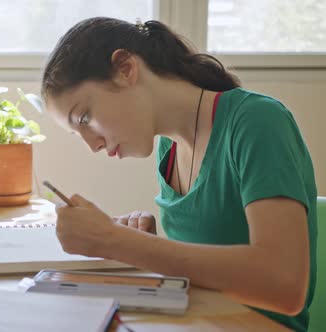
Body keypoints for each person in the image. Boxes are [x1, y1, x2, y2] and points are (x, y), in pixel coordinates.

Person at [41, 17, 317, 331]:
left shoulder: (258, 122)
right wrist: (140, 240)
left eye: (85, 117)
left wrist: (114, 241)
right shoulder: (168, 151)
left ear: (126, 68)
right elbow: (206, 270)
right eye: (79, 135)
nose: (94, 145)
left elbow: (284, 286)